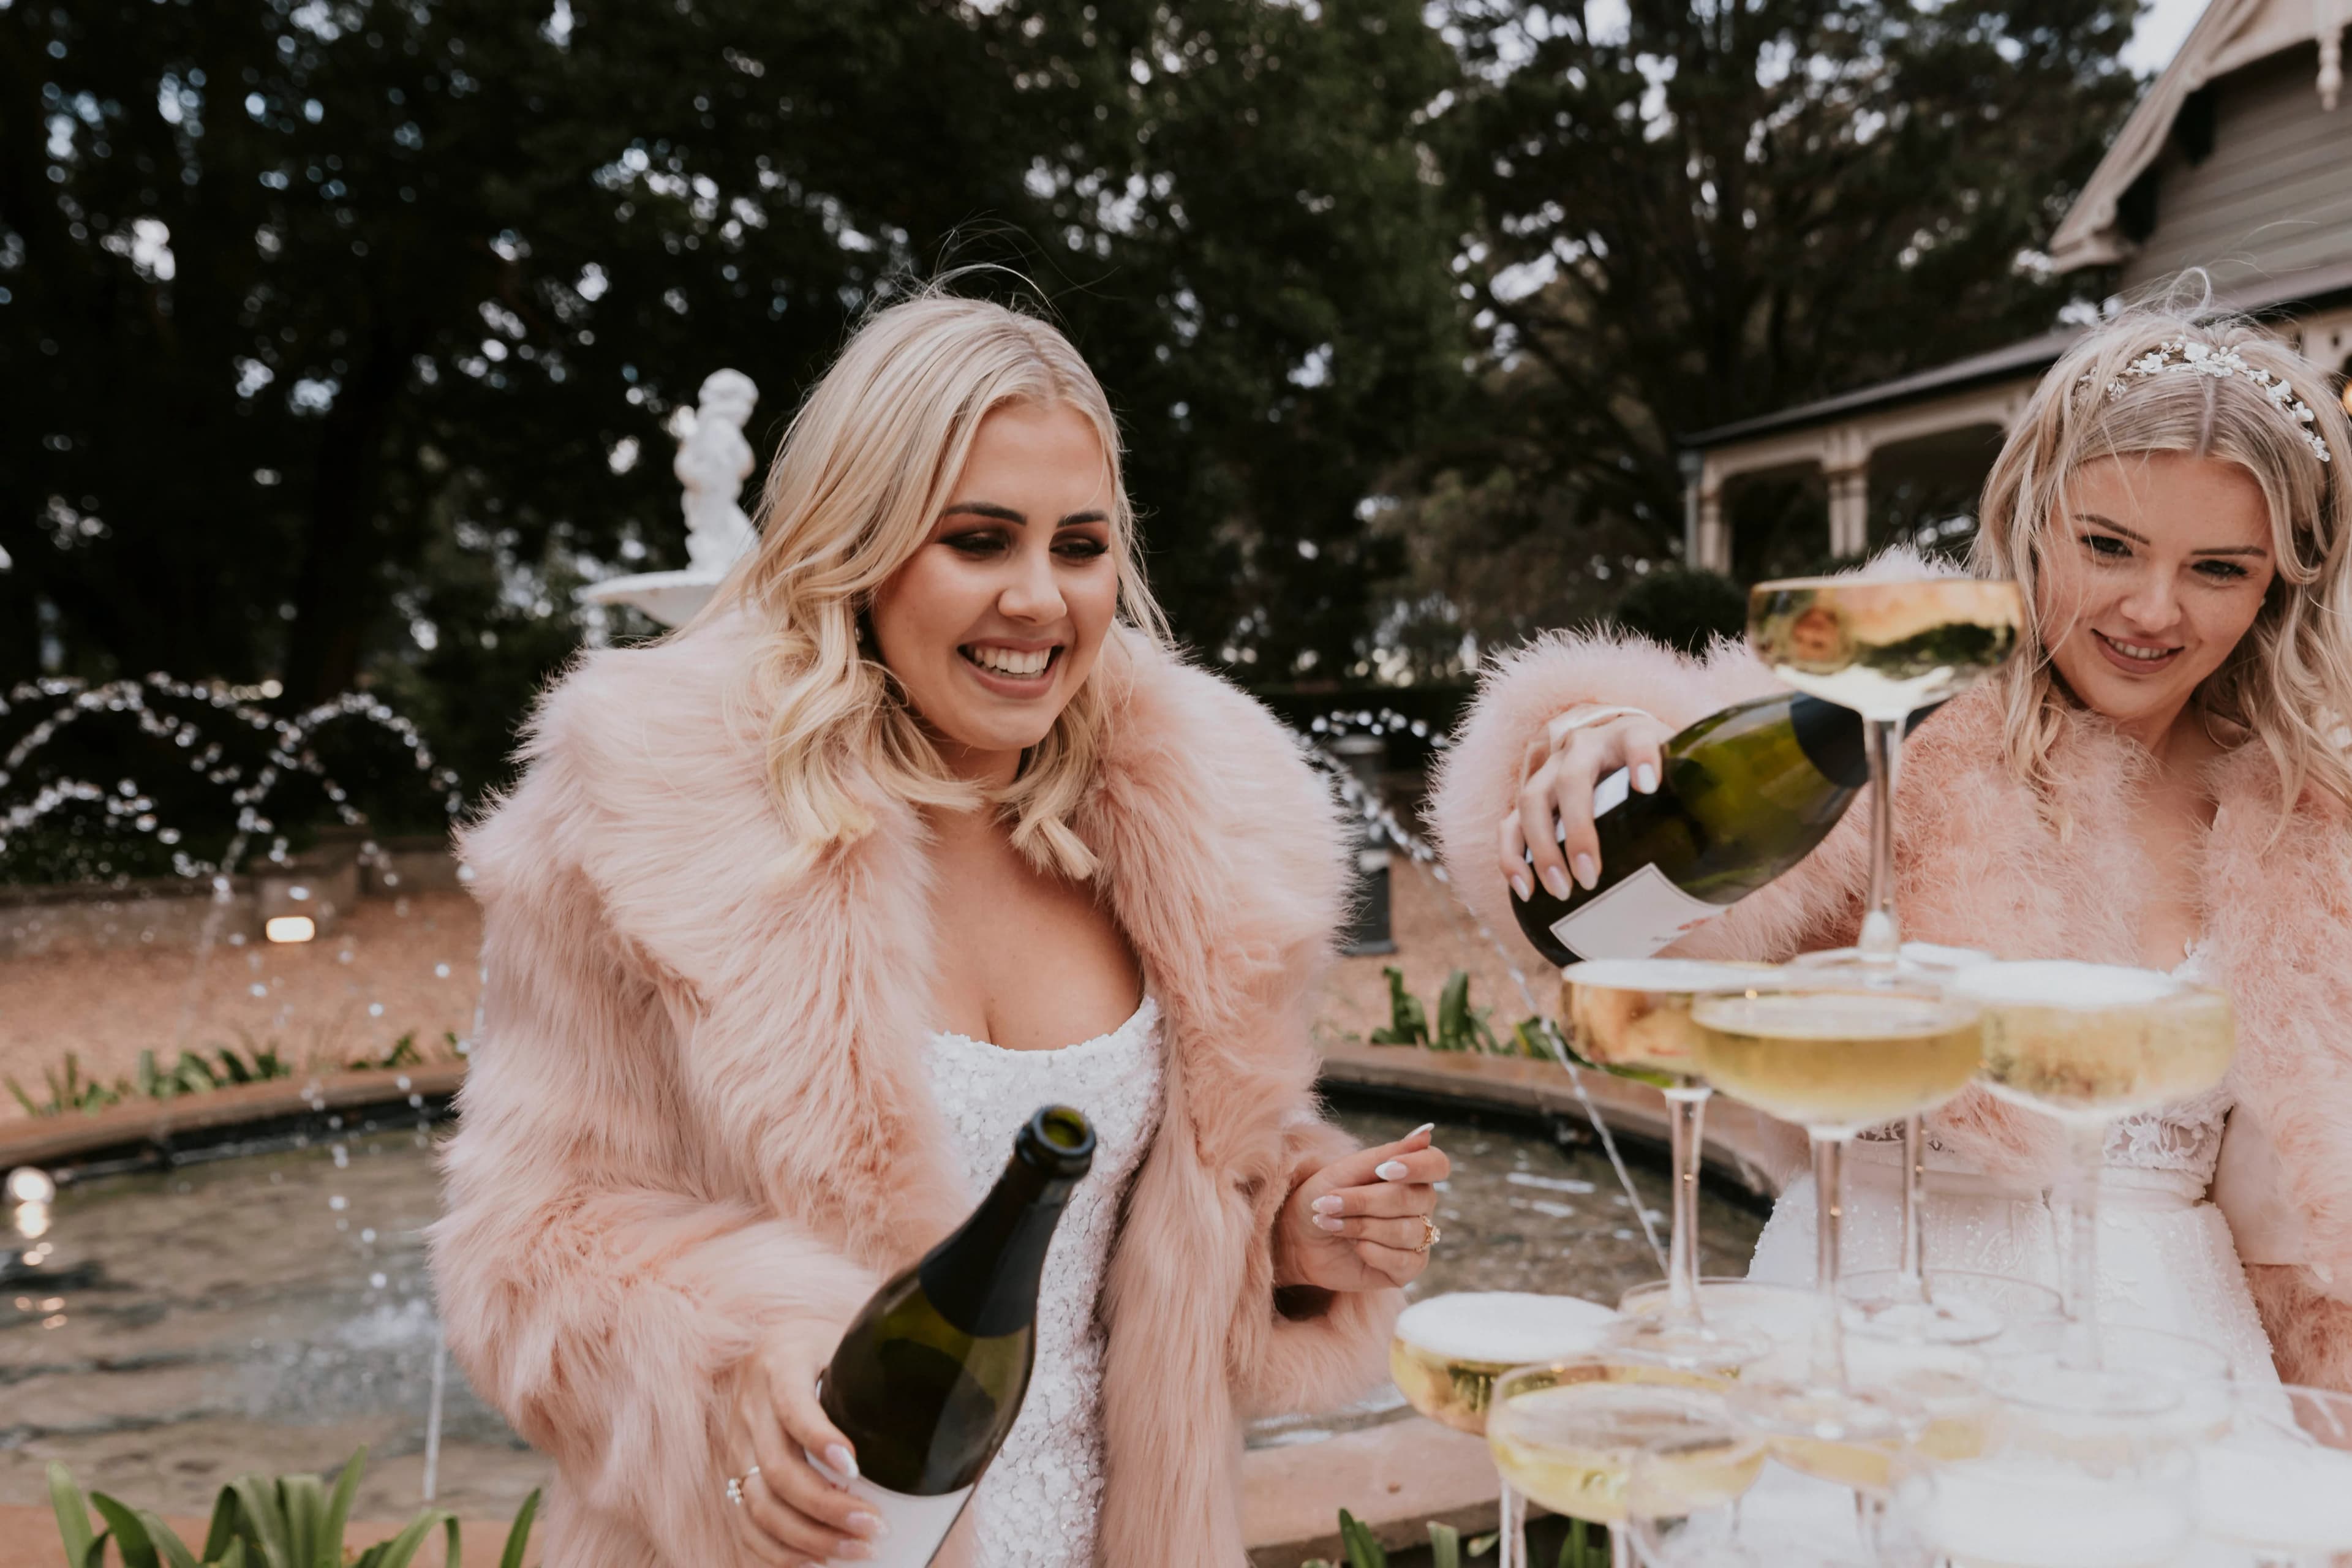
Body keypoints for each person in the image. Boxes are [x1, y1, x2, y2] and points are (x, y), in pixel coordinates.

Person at [428, 287, 1446, 1568]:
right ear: (862, 543)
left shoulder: (1194, 831)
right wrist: (734, 1364)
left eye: (1079, 546)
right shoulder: (648, 814)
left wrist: (1298, 1238)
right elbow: (522, 1252)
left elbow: (1174, 1230)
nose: (1040, 599)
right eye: (979, 539)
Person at [1430, 300, 2352, 1391]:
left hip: (2176, 1373)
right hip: (1860, 1347)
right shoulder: (1896, 708)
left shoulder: (2312, 815)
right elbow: (1624, 916)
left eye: (2219, 569)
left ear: (2280, 582)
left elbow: (2299, 1209)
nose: (2153, 610)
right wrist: (1593, 738)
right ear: (2031, 518)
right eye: (2109, 546)